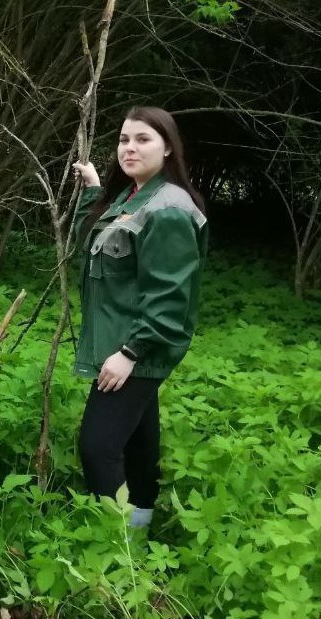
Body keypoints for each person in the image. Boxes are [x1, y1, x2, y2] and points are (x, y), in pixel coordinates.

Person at [71, 106, 208, 530]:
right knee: (139, 438)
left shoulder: (167, 208)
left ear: (167, 147)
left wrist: (130, 352)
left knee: (98, 446)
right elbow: (89, 243)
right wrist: (94, 191)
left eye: (143, 139)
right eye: (124, 140)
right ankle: (140, 527)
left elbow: (171, 296)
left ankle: (115, 545)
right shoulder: (133, 195)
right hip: (123, 340)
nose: (130, 148)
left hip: (136, 345)